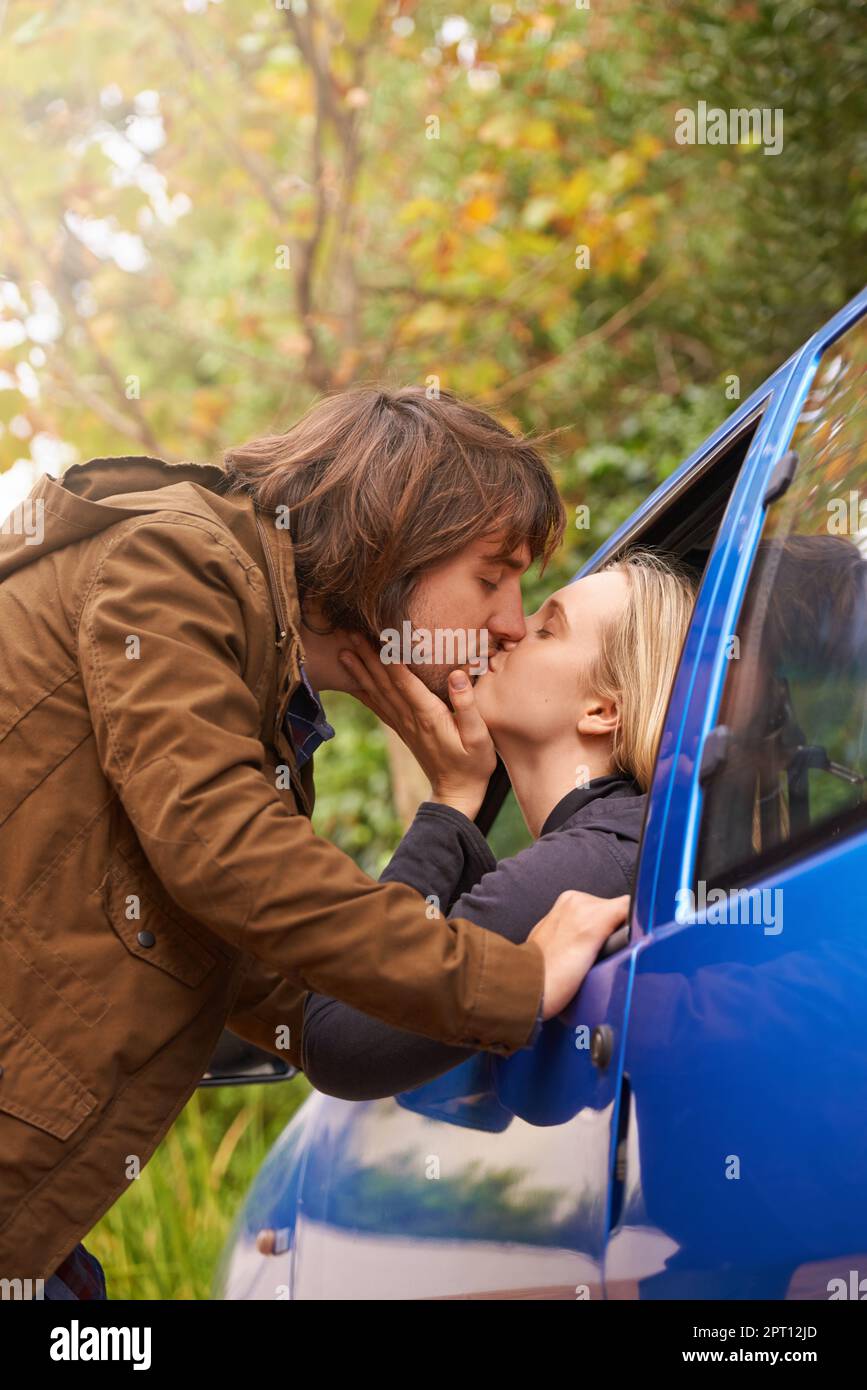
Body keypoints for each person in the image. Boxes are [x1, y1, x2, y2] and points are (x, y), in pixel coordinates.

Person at [0, 385, 627, 1296]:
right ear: (396, 545)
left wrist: (452, 814)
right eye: (493, 576)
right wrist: (512, 981)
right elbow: (224, 851)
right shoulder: (176, 559)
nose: (509, 621)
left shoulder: (259, 700)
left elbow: (299, 1000)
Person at [302, 549, 697, 1099]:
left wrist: (446, 807)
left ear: (604, 710)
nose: (512, 630)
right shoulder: (623, 840)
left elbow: (336, 1038)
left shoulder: (594, 860)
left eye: (548, 629)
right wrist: (458, 793)